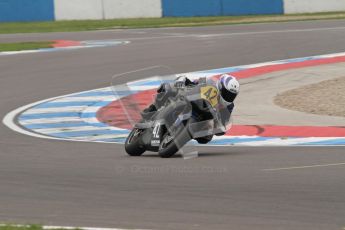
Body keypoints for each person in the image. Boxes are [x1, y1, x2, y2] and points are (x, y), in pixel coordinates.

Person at [142, 74, 240, 140]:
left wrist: (219, 128)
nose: (228, 96)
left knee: (206, 138)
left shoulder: (229, 106)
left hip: (203, 117)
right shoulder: (209, 82)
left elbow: (224, 123)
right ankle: (152, 109)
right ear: (220, 86)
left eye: (231, 95)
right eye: (227, 93)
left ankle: (181, 135)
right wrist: (183, 80)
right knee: (169, 89)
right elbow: (192, 82)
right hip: (191, 100)